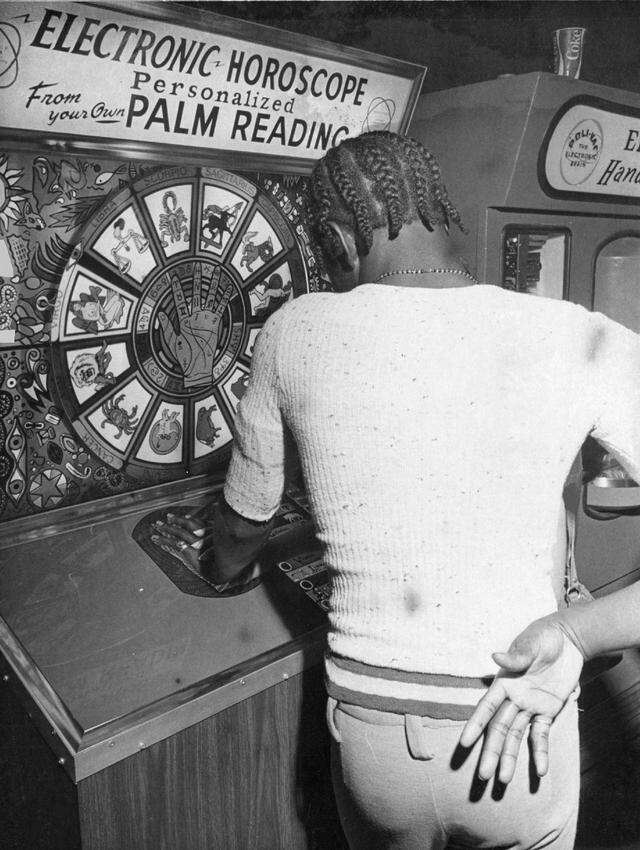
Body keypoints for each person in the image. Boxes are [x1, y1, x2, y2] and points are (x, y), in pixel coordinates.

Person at [151, 130, 640, 849]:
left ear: (342, 244)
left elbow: (242, 526)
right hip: (518, 726)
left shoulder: (293, 331)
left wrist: (220, 563)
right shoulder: (580, 334)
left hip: (377, 748)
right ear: (440, 212)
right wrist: (575, 631)